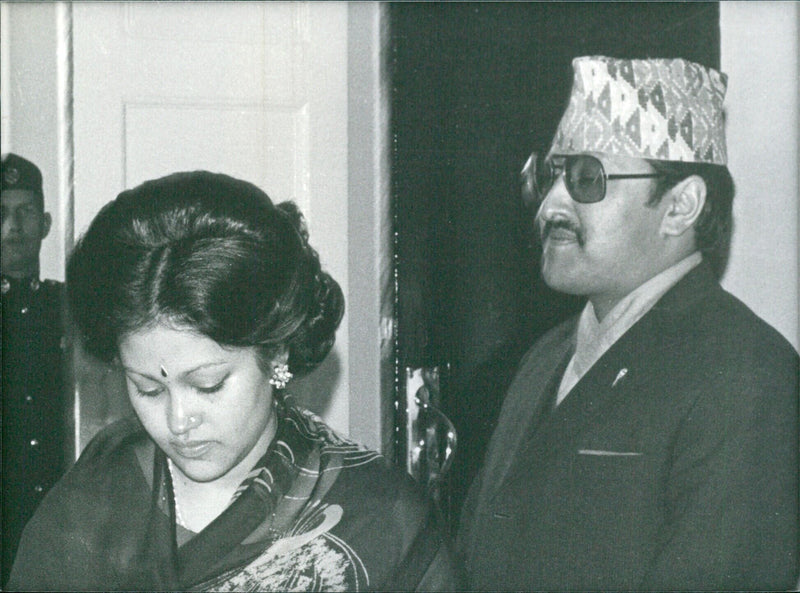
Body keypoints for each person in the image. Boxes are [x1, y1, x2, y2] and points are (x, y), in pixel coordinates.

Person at [9, 171, 460, 591]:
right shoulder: (90, 505)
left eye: (208, 385)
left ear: (277, 352)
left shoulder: (378, 516)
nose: (178, 420)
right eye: (148, 387)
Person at [457, 56, 799, 590]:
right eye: (549, 176)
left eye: (586, 178)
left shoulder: (747, 374)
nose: (550, 206)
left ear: (681, 207)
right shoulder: (546, 357)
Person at [1, 153, 69, 587]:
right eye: (2, 214)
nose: (14, 227)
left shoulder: (69, 309)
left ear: (44, 225)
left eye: (25, 213)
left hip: (58, 514)